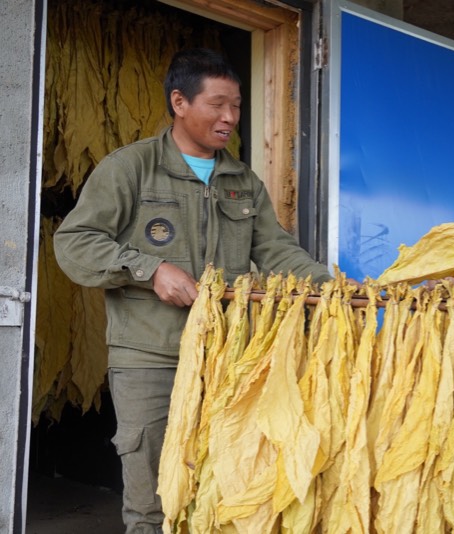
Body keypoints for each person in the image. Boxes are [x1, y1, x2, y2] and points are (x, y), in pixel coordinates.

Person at [53, 48, 333, 533]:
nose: (230, 117)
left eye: (238, 106)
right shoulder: (131, 168)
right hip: (150, 357)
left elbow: (277, 253)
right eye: (217, 104)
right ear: (179, 102)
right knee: (153, 493)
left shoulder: (242, 182)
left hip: (226, 356)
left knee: (219, 486)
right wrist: (149, 268)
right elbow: (75, 243)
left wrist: (332, 290)